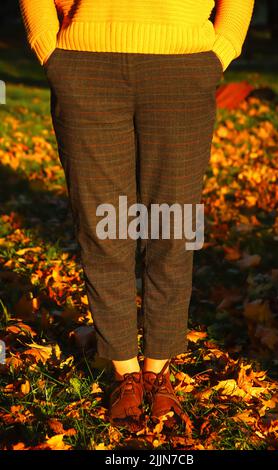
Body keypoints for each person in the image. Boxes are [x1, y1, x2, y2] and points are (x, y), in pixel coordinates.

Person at [19, 0, 255, 430]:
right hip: (84, 63)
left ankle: (158, 368)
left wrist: (221, 49)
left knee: (173, 225)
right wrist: (47, 49)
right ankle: (126, 372)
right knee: (103, 224)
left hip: (183, 65)